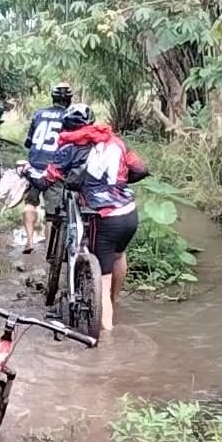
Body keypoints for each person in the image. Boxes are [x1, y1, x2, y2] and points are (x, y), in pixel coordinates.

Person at [29, 103, 148, 331]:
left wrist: (26, 171)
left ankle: (107, 336)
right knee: (119, 254)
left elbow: (45, 182)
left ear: (67, 127)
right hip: (129, 213)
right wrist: (117, 184)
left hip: (103, 217)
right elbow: (140, 170)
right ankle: (112, 302)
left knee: (101, 277)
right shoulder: (116, 142)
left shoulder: (70, 149)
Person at [20, 82, 73, 254]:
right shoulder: (69, 116)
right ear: (69, 99)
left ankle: (29, 241)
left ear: (53, 97)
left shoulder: (39, 114)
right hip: (54, 169)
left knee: (30, 203)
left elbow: (29, 142)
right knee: (53, 214)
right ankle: (51, 255)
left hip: (34, 165)